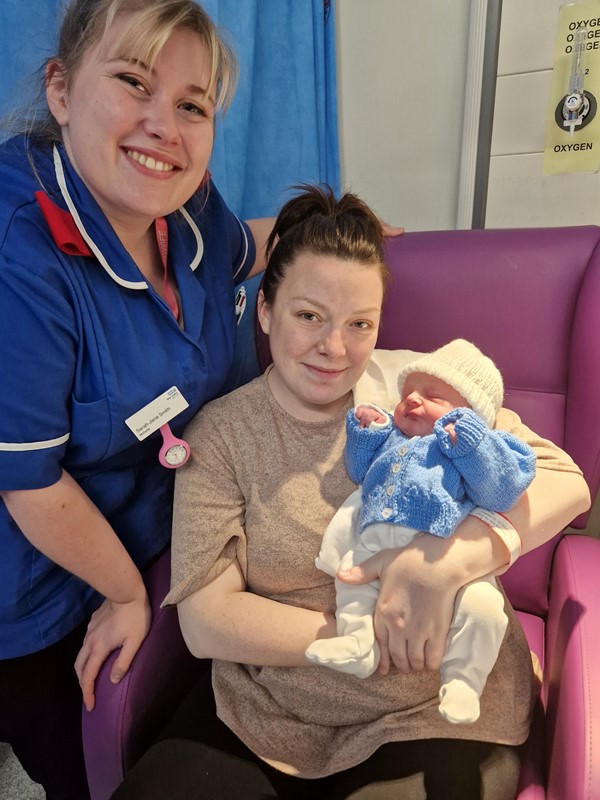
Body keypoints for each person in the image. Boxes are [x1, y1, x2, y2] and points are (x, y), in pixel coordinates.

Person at [111, 184, 589, 800]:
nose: (335, 349)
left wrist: (441, 566)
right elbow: (207, 621)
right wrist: (353, 639)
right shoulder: (224, 435)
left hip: (436, 701)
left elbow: (566, 481)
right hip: (275, 708)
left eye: (359, 324)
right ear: (264, 312)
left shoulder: (413, 388)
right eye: (308, 315)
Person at [0, 2, 279, 797]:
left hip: (150, 542)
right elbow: (26, 478)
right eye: (133, 82)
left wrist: (324, 235)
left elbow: (237, 252)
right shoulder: (21, 252)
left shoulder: (181, 206)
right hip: (30, 592)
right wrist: (125, 592)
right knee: (77, 764)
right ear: (61, 89)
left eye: (192, 105)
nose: (166, 127)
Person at [305, 339, 536, 726]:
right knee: (351, 576)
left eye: (433, 396)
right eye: (407, 392)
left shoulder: (475, 450)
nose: (412, 400)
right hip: (378, 538)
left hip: (445, 550)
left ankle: (463, 681)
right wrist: (367, 431)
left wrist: (470, 444)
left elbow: (500, 491)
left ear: (472, 416)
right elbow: (359, 471)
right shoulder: (394, 438)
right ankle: (358, 643)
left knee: (484, 612)